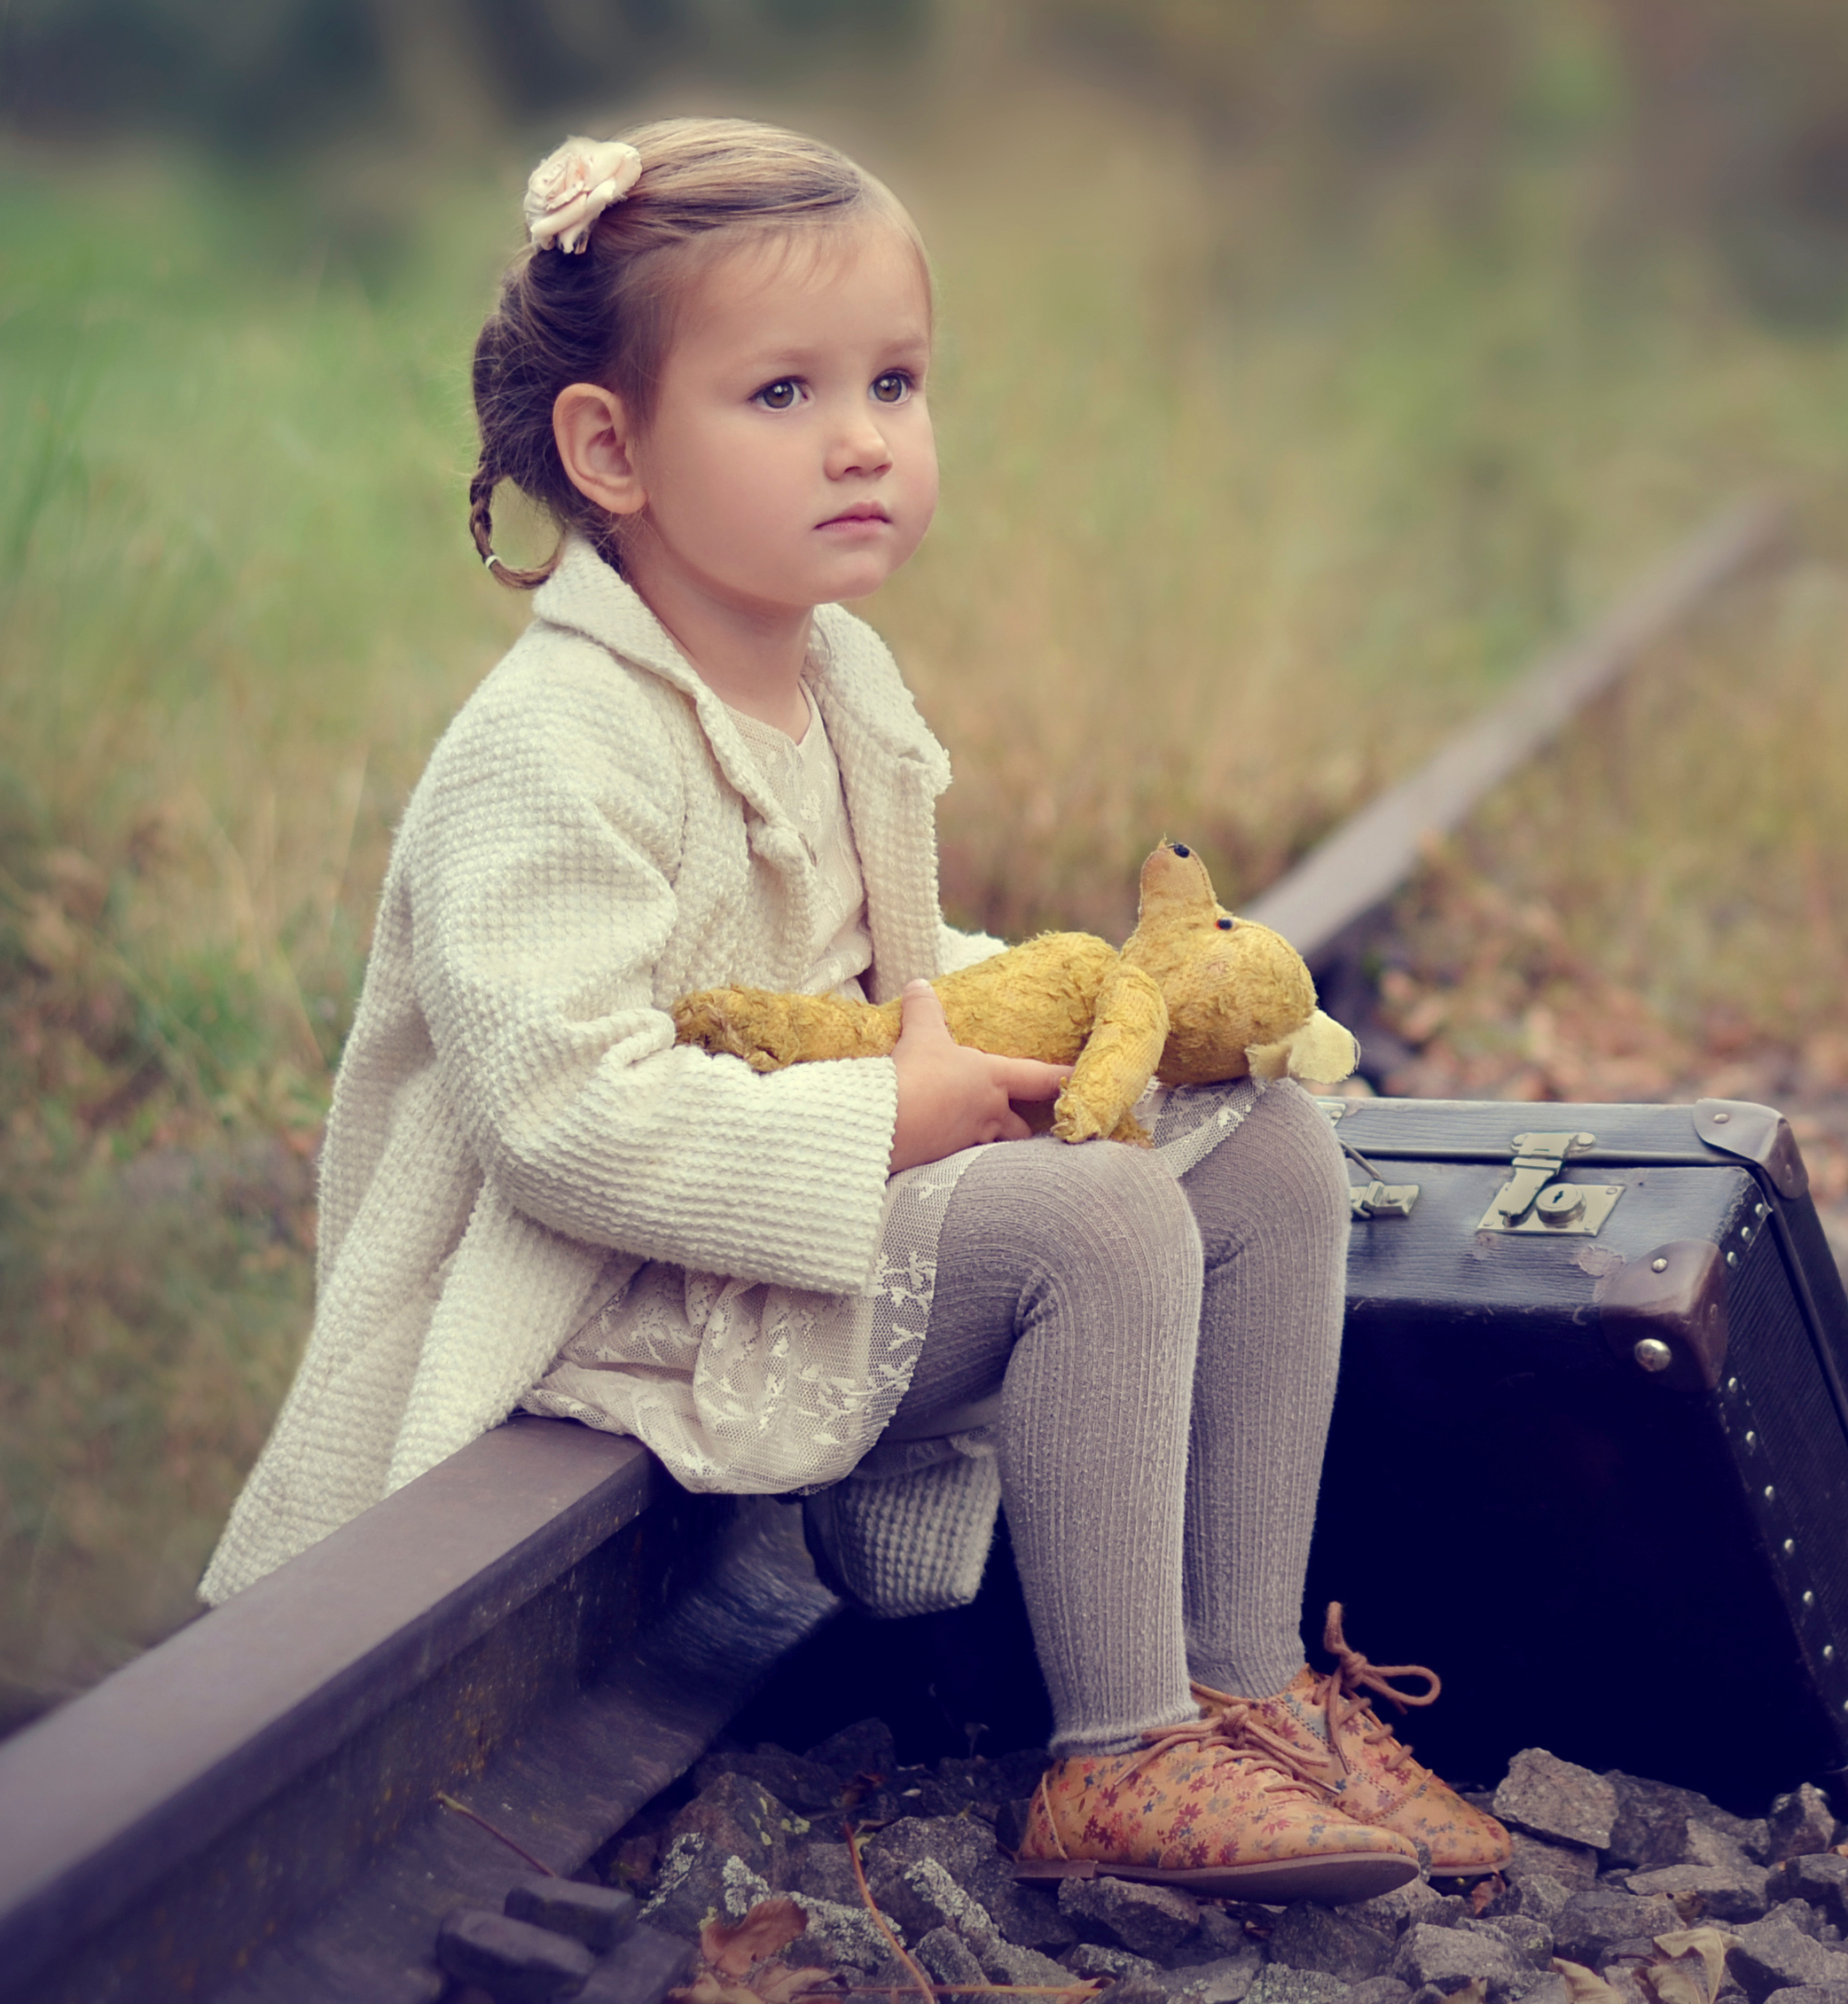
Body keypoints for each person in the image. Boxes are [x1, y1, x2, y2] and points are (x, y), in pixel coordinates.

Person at [198, 119, 1505, 1901]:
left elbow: (871, 966)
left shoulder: (839, 671)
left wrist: (1070, 1011)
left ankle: (1248, 1688)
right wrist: (902, 1115)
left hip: (778, 1201)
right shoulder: (550, 748)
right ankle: (1115, 1752)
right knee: (1096, 1214)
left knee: (1269, 1147)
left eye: (896, 381)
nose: (866, 439)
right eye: (785, 393)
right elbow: (566, 1118)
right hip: (594, 1280)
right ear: (611, 448)